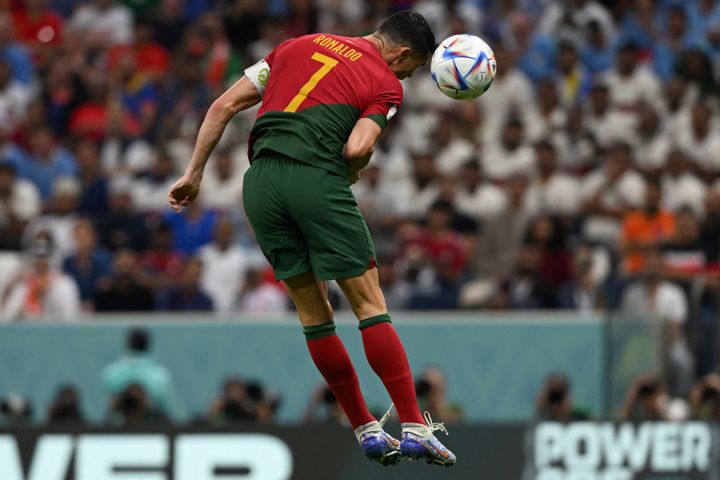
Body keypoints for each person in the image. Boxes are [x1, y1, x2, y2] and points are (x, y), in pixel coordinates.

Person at [168, 11, 454, 466]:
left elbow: (222, 105)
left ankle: (365, 427)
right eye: (412, 67)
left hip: (259, 185)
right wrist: (354, 171)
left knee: (313, 315)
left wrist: (193, 173)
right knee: (369, 304)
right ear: (400, 53)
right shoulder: (384, 80)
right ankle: (415, 425)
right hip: (315, 180)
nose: (406, 75)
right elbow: (357, 147)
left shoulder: (297, 45)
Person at [101, 328, 182, 421]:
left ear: (127, 344)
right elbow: (165, 409)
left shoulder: (111, 373)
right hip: (151, 429)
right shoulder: (161, 376)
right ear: (148, 345)